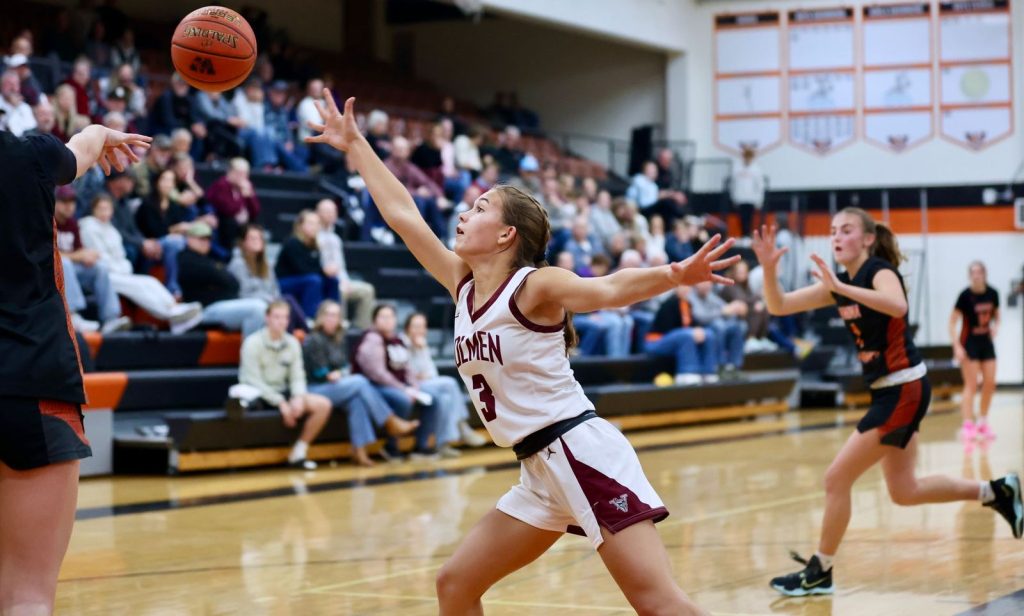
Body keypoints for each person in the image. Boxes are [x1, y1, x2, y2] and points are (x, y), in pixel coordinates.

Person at [305, 92, 741, 615]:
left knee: (657, 603)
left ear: (506, 234)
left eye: (479, 208)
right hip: (537, 468)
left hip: (579, 453)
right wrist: (356, 145)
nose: (464, 213)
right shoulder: (463, 285)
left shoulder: (534, 286)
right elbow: (403, 215)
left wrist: (672, 273)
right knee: (455, 584)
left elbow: (606, 289)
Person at [751, 213, 1022, 597]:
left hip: (903, 389)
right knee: (905, 490)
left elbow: (896, 306)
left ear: (867, 239)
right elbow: (778, 305)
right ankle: (996, 491)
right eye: (832, 231)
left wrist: (842, 289)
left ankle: (820, 570)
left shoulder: (879, 271)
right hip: (889, 391)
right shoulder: (839, 284)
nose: (836, 237)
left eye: (846, 230)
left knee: (836, 479)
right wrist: (768, 269)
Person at [0, 121, 150, 616]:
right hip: (32, 380)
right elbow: (78, 151)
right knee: (26, 596)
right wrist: (100, 132)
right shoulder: (29, 156)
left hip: (30, 380)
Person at [302, 301, 419, 466]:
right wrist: (330, 374)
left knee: (356, 400)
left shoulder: (338, 338)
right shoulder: (314, 339)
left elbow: (345, 366)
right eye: (329, 315)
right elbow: (317, 372)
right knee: (360, 381)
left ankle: (359, 452)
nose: (332, 319)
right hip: (315, 389)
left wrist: (340, 373)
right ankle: (390, 421)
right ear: (321, 317)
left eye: (336, 315)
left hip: (337, 386)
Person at [79, 192, 204, 333]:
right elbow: (100, 258)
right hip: (105, 276)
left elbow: (121, 256)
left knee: (150, 281)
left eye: (107, 209)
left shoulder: (112, 229)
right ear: (94, 210)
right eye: (101, 209)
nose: (104, 213)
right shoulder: (88, 227)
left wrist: (124, 269)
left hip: (121, 272)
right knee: (139, 287)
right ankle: (168, 314)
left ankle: (174, 307)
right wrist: (121, 269)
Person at [239, 301, 332, 470]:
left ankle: (299, 452)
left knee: (323, 405)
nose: (281, 322)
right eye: (277, 317)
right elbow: (253, 380)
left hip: (282, 391)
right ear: (267, 318)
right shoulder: (252, 343)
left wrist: (298, 397)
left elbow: (297, 376)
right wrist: (280, 402)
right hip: (258, 394)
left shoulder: (292, 343)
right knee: (244, 398)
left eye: (285, 318)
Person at [351, 304, 441, 461]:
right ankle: (391, 446)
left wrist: (414, 386)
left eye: (391, 316)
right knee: (402, 399)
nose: (388, 320)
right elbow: (378, 374)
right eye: (383, 317)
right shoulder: (372, 339)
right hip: (375, 386)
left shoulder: (397, 340)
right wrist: (403, 389)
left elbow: (407, 368)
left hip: (399, 385)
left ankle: (421, 446)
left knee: (432, 398)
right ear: (374, 320)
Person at [403, 311, 488, 457]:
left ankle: (442, 444)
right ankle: (463, 428)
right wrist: (421, 368)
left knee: (445, 399)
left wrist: (422, 351)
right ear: (407, 328)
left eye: (422, 327)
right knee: (451, 383)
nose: (419, 330)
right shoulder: (402, 344)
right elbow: (409, 375)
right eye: (416, 326)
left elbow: (431, 373)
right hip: (412, 387)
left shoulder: (422, 344)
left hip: (428, 385)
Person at [178, 222, 267, 336]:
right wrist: (220, 277)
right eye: (201, 238)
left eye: (208, 239)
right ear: (189, 239)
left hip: (222, 305)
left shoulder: (208, 259)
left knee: (272, 311)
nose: (205, 242)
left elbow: (232, 282)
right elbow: (227, 281)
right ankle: (251, 348)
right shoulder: (186, 259)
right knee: (257, 309)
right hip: (202, 310)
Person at [950, 261, 1000, 442]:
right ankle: (968, 425)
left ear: (984, 274)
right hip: (969, 343)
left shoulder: (993, 293)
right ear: (969, 275)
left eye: (979, 272)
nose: (976, 275)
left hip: (986, 343)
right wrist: (957, 346)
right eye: (973, 272)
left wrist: (996, 327)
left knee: (990, 383)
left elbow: (997, 315)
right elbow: (952, 322)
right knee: (971, 384)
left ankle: (983, 422)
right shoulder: (965, 296)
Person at [227, 223, 306, 331]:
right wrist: (269, 299)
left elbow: (275, 289)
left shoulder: (266, 265)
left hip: (269, 304)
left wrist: (274, 301)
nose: (257, 241)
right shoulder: (238, 264)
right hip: (249, 306)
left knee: (285, 304)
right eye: (252, 238)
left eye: (259, 238)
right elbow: (242, 293)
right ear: (243, 242)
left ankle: (297, 334)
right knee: (287, 301)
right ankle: (306, 331)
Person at [314, 198, 377, 329]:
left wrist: (345, 280)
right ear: (317, 213)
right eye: (326, 211)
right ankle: (339, 327)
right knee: (339, 289)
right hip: (325, 280)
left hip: (341, 279)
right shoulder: (313, 236)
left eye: (333, 211)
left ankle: (362, 328)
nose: (330, 214)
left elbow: (340, 265)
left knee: (367, 290)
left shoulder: (336, 238)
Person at [275, 210, 341, 318]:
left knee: (333, 280)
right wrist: (324, 271)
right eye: (311, 223)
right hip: (284, 282)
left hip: (305, 279)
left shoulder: (314, 244)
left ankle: (334, 315)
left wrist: (327, 272)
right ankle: (310, 318)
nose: (315, 227)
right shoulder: (292, 242)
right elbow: (302, 269)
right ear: (300, 225)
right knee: (314, 280)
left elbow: (314, 268)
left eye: (317, 223)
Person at [729, 147, 766, 240]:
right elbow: (733, 184)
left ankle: (748, 236)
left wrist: (759, 200)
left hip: (751, 199)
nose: (747, 158)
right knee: (742, 219)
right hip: (740, 198)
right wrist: (734, 197)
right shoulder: (737, 168)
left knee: (749, 218)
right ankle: (744, 235)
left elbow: (760, 185)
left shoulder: (756, 169)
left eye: (749, 156)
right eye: (746, 156)